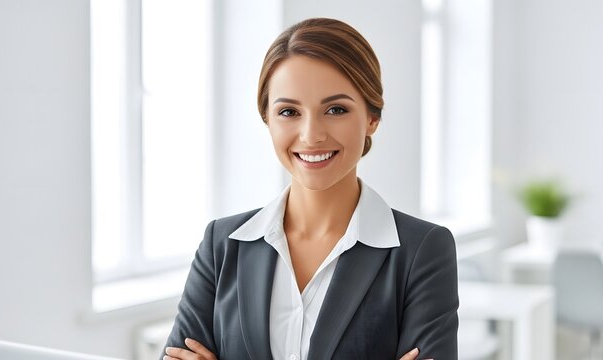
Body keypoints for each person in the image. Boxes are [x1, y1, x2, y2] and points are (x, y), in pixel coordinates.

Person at [162, 17, 458, 360]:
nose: (311, 135)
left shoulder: (421, 251)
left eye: (336, 109)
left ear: (372, 118)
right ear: (267, 120)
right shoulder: (222, 245)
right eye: (289, 111)